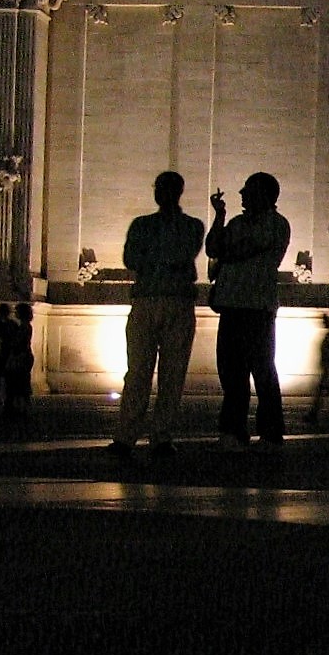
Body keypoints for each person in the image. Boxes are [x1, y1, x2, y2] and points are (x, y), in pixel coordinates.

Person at [104, 172, 206, 457]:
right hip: (173, 299)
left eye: (164, 188)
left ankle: (131, 436)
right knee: (156, 372)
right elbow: (172, 257)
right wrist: (168, 260)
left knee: (147, 372)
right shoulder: (191, 226)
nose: (160, 193)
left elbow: (134, 258)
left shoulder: (144, 226)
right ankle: (156, 437)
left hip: (151, 297)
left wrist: (154, 258)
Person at [205, 172, 291, 452]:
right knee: (231, 372)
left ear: (265, 195)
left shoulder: (277, 224)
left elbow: (247, 249)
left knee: (263, 370)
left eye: (248, 191)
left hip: (258, 307)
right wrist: (219, 216)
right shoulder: (236, 222)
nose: (242, 195)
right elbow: (213, 248)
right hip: (231, 305)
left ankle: (270, 433)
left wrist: (228, 253)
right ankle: (233, 430)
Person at [1, 303, 33, 418]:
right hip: (24, 356)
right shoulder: (26, 326)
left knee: (17, 381)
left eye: (17, 311)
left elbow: (17, 342)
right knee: (21, 381)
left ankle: (20, 408)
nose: (15, 313)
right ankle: (22, 407)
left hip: (20, 357)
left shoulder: (24, 327)